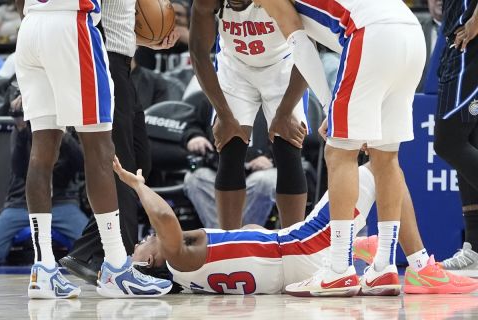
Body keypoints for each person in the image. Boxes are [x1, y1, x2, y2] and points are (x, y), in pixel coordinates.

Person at [249, 0, 426, 296]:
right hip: (410, 33)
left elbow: (301, 45)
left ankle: (339, 268)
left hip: (371, 33)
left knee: (339, 152)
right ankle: (384, 267)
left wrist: (328, 104)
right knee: (385, 158)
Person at [112, 156, 478, 295]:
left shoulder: (188, 279)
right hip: (303, 245)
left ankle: (359, 244)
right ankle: (419, 269)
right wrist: (140, 186)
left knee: (260, 231)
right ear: (151, 263)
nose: (139, 243)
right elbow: (163, 220)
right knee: (384, 168)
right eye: (137, 251)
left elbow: (249, 242)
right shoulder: (177, 257)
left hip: (295, 259)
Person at [14, 0, 172, 298]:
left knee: (41, 151)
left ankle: (43, 269)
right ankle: (115, 266)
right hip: (72, 25)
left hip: (30, 26)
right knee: (100, 149)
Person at [58, 0, 179, 286]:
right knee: (120, 164)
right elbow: (91, 20)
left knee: (139, 162)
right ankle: (116, 259)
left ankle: (90, 252)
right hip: (103, 62)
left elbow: (116, 18)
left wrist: (150, 39)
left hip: (121, 64)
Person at [190, 0, 325, 229]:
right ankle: (229, 242)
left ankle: (293, 242)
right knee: (230, 146)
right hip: (235, 66)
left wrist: (283, 114)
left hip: (283, 63)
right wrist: (224, 116)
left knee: (288, 146)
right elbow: (199, 54)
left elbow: (307, 51)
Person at [0, 95, 88, 264]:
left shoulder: (70, 127)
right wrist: (22, 129)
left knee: (90, 249)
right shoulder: (22, 129)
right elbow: (19, 170)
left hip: (62, 203)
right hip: (21, 204)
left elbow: (80, 163)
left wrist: (64, 133)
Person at [433, 0, 478, 278]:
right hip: (460, 41)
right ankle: (474, 249)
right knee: (469, 140)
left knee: (448, 142)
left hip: (469, 44)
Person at [183, 96, 277, 228]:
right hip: (217, 168)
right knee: (194, 178)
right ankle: (224, 237)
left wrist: (270, 157)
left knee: (265, 181)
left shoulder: (270, 98)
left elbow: (289, 137)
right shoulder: (213, 95)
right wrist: (194, 137)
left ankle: (245, 237)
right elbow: (192, 126)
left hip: (258, 169)